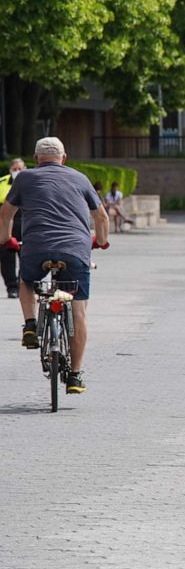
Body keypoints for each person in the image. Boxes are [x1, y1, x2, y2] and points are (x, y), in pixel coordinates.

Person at [0, 137, 110, 395]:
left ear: (36, 158)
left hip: (36, 245)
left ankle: (30, 324)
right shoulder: (81, 178)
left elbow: (6, 213)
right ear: (64, 157)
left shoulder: (24, 178)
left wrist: (6, 240)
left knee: (27, 280)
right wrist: (101, 242)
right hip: (75, 248)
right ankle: (75, 375)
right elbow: (102, 216)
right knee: (78, 309)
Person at [0, 158, 26, 298]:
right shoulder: (2, 182)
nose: (17, 172)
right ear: (10, 169)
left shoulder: (31, 181)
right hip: (6, 223)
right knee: (6, 259)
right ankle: (12, 288)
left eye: (20, 169)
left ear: (25, 168)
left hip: (26, 223)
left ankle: (24, 286)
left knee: (27, 258)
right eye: (15, 169)